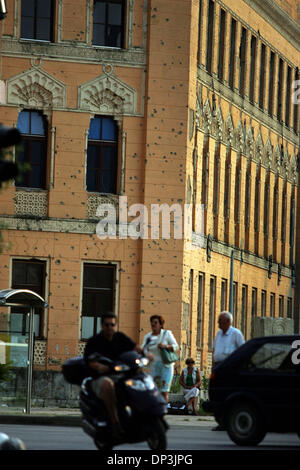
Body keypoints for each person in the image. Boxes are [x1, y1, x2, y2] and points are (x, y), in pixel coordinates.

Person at [83, 311, 143, 440]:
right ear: (102, 325)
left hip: (119, 375)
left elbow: (134, 348)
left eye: (112, 325)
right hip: (99, 378)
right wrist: (100, 367)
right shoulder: (94, 342)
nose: (110, 327)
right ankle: (115, 423)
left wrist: (146, 354)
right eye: (107, 325)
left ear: (115, 325)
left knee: (139, 380)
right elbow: (90, 361)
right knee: (107, 384)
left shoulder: (120, 337)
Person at [212, 311, 245, 430]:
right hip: (219, 369)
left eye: (220, 320)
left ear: (228, 321)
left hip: (231, 371)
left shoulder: (235, 334)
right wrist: (213, 368)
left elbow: (243, 352)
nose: (217, 323)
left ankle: (228, 422)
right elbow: (215, 351)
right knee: (218, 396)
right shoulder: (219, 334)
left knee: (228, 397)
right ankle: (220, 422)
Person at [141, 314, 179, 404]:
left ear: (161, 324)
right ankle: (155, 411)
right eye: (152, 323)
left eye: (156, 322)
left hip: (166, 366)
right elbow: (143, 349)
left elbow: (176, 346)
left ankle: (163, 412)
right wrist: (146, 354)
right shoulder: (148, 337)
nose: (153, 325)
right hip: (153, 366)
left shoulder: (167, 334)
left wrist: (165, 346)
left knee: (164, 391)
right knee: (153, 390)